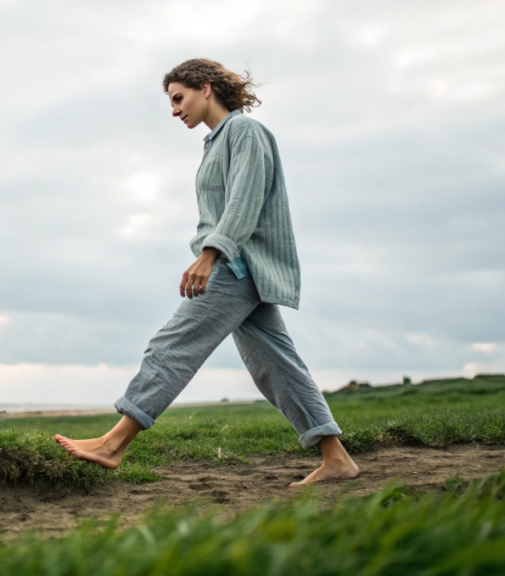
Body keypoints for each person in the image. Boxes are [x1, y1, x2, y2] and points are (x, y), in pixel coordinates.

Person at [54, 59, 360, 487]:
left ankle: (113, 444)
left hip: (236, 266)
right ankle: (336, 458)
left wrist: (211, 253)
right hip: (243, 266)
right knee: (276, 365)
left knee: (172, 345)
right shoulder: (217, 142)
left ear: (206, 88)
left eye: (179, 98)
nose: (175, 110)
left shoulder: (244, 131)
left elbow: (244, 200)